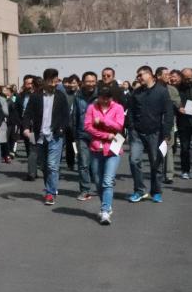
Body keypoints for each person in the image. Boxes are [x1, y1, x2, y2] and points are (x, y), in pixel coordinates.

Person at [22, 68, 71, 205]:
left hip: (55, 136)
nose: (53, 84)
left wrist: (61, 129)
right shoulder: (36, 96)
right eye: (50, 81)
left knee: (52, 165)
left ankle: (50, 193)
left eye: (55, 81)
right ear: (44, 81)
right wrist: (26, 128)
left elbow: (66, 116)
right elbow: (27, 114)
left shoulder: (61, 96)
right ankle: (50, 187)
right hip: (39, 136)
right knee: (43, 165)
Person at [128, 66, 173, 203]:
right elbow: (131, 111)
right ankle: (139, 190)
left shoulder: (162, 91)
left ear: (150, 75)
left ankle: (156, 191)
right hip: (137, 133)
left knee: (156, 163)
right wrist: (131, 127)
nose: (138, 78)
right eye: (137, 76)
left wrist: (166, 132)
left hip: (156, 133)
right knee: (134, 160)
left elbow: (168, 113)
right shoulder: (136, 93)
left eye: (140, 75)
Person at [84, 85, 126, 225]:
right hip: (96, 148)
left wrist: (103, 121)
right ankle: (106, 205)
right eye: (102, 98)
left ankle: (105, 211)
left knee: (107, 181)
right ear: (98, 97)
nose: (105, 100)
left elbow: (119, 126)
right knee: (98, 181)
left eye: (108, 98)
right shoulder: (92, 108)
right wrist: (105, 135)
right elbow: (88, 126)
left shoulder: (118, 108)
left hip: (114, 148)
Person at [74, 71, 99, 201]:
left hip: (99, 135)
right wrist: (74, 133)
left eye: (92, 81)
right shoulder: (77, 96)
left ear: (96, 82)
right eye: (87, 81)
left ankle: (101, 187)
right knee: (83, 163)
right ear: (83, 82)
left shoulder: (101, 96)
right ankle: (85, 190)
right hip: (82, 134)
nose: (90, 84)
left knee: (97, 164)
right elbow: (75, 115)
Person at [157, 66, 182, 184]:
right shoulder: (151, 89)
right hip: (153, 122)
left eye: (169, 74)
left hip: (168, 122)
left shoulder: (172, 89)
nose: (169, 76)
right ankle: (157, 171)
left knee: (168, 147)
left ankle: (168, 174)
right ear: (158, 76)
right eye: (166, 74)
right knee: (155, 148)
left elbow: (179, 104)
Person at [14, 75, 38, 179]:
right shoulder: (20, 96)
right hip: (26, 126)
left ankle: (33, 171)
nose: (30, 86)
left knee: (34, 148)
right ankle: (32, 171)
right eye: (27, 84)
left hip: (37, 126)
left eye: (31, 83)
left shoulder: (39, 95)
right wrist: (21, 123)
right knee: (30, 148)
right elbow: (16, 111)